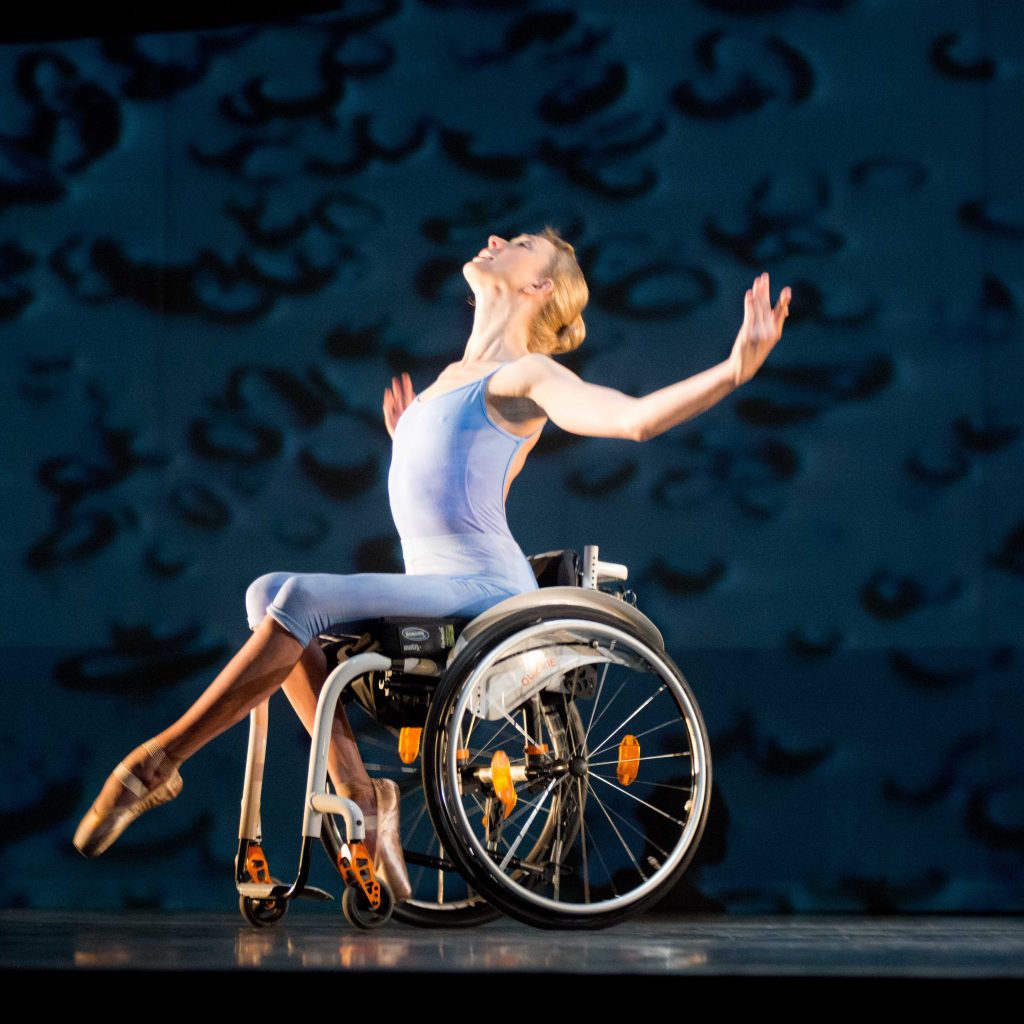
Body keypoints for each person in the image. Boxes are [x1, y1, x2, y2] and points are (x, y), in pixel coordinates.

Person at [73, 227, 791, 904]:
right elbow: (469, 490)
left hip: (484, 595)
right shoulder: (454, 378)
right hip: (439, 586)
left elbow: (631, 419)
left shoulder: (529, 374)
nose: (494, 242)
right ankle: (361, 793)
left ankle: (159, 764)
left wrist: (734, 369)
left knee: (291, 594)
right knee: (268, 591)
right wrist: (409, 439)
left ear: (540, 285)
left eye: (519, 244)